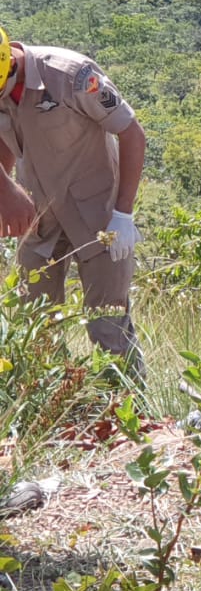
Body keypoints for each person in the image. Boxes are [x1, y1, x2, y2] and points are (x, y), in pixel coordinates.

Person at [0, 28, 146, 375]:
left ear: (10, 65)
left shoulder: (72, 75)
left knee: (108, 326)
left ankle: (129, 403)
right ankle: (51, 402)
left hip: (99, 217)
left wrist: (123, 214)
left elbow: (132, 133)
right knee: (34, 325)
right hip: (39, 217)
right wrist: (5, 191)